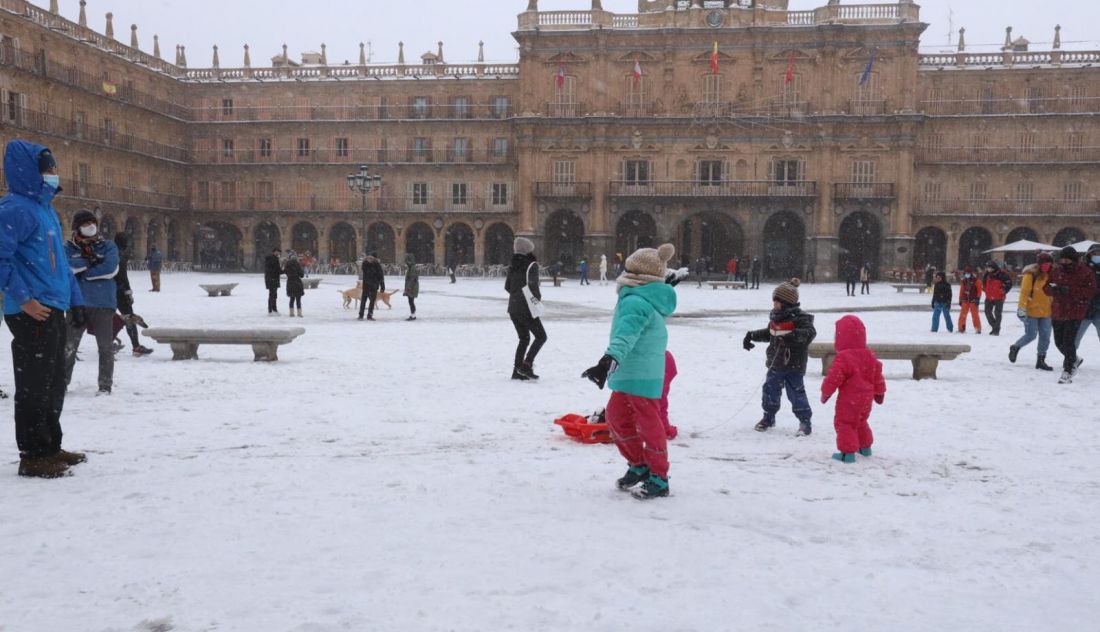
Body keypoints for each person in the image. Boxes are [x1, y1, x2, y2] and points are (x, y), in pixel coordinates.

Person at [0, 140, 88, 478]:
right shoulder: (13, 209)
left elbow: (62, 265)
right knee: (34, 384)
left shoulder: (45, 210)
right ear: (30, 171)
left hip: (54, 306)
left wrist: (77, 301)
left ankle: (51, 445)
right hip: (31, 310)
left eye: (53, 168)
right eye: (48, 168)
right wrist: (25, 299)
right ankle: (33, 454)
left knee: (53, 382)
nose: (54, 174)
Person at [582, 243, 677, 500]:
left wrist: (607, 362)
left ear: (634, 272)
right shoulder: (639, 297)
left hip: (641, 373)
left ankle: (659, 477)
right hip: (630, 372)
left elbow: (626, 336)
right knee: (615, 417)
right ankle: (639, 465)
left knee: (649, 425)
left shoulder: (636, 301)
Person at [744, 282, 816, 436]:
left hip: (794, 365)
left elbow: (809, 333)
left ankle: (805, 421)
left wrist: (793, 336)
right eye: (774, 302)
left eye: (777, 302)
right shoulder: (776, 318)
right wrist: (751, 335)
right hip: (775, 364)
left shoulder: (801, 319)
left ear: (787, 303)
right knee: (770, 391)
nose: (774, 305)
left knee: (796, 394)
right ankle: (768, 417)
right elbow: (769, 333)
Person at [63, 209, 120, 396]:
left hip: (104, 303)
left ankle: (105, 385)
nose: (91, 227)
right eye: (86, 224)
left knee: (105, 347)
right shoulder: (68, 248)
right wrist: (92, 263)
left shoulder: (108, 246)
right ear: (77, 228)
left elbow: (110, 269)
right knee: (68, 346)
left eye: (92, 223)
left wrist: (84, 272)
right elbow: (66, 268)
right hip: (76, 303)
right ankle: (61, 383)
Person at [821, 315, 886, 463]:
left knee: (845, 423)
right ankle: (865, 447)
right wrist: (879, 392)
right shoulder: (869, 355)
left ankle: (847, 452)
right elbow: (878, 374)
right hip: (866, 398)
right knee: (861, 421)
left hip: (849, 399)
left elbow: (834, 378)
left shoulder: (844, 357)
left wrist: (826, 392)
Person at [1045, 246, 1097, 384]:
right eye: (1062, 259)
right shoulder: (1056, 271)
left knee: (1069, 341)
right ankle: (1075, 359)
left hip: (1075, 311)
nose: (1064, 262)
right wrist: (1053, 289)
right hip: (1058, 311)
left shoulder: (1085, 272)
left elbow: (1090, 291)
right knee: (1058, 342)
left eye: (1067, 260)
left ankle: (1068, 370)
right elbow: (1046, 288)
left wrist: (1069, 290)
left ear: (1074, 260)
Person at [505, 237, 547, 380]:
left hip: (513, 308)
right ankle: (526, 365)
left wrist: (517, 295)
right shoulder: (531, 265)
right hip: (526, 308)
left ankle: (517, 371)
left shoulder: (512, 265)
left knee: (524, 338)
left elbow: (507, 287)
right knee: (541, 336)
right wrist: (536, 301)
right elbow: (533, 287)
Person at [1010, 252, 1054, 371]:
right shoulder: (1031, 275)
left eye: (1049, 263)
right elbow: (1024, 293)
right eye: (1045, 263)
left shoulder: (1052, 275)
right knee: (1031, 335)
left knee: (1045, 337)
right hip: (1031, 311)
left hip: (1047, 311)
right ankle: (1015, 347)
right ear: (1039, 264)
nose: (1047, 266)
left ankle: (1041, 360)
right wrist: (1021, 308)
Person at [111, 232, 153, 356]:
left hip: (107, 291)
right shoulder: (120, 255)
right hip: (119, 291)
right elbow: (123, 276)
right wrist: (128, 292)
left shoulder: (111, 253)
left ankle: (106, 343)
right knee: (129, 318)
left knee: (108, 318)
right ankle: (136, 346)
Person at [1074, 243, 1100, 349]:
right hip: (1084, 310)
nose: (1097, 255)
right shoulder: (1082, 269)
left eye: (1099, 253)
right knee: (1076, 338)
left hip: (1099, 310)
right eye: (1094, 253)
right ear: (1089, 254)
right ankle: (1071, 360)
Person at [982, 260, 1013, 336]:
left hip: (999, 297)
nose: (988, 269)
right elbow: (984, 282)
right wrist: (985, 289)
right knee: (987, 312)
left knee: (997, 313)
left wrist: (1003, 291)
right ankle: (995, 327)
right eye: (987, 268)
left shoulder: (1002, 274)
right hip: (989, 296)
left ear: (994, 267)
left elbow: (1009, 283)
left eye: (990, 268)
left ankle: (996, 330)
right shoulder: (987, 274)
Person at [359, 252, 385, 321]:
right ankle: (365, 315)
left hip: (369, 286)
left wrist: (382, 286)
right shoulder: (374, 264)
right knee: (368, 301)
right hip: (371, 285)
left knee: (367, 301)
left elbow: (380, 276)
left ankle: (364, 315)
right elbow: (380, 276)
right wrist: (382, 286)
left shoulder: (366, 264)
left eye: (371, 258)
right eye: (369, 258)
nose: (370, 259)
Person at [957, 266, 983, 334]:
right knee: (962, 315)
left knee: (975, 315)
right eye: (965, 273)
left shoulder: (977, 281)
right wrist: (960, 299)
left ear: (971, 273)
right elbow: (962, 290)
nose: (966, 274)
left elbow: (979, 291)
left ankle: (978, 328)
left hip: (973, 300)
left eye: (968, 273)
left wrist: (978, 298)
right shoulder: (963, 281)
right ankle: (961, 328)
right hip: (965, 300)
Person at [284, 250, 304, 317]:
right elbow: (301, 275)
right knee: (298, 299)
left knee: (292, 299)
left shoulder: (287, 265)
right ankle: (299, 313)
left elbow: (285, 272)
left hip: (290, 283)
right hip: (297, 283)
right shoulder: (297, 264)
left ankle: (291, 313)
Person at [264, 247, 282, 315]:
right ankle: (271, 310)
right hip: (272, 279)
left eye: (279, 252)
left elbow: (277, 269)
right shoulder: (272, 259)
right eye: (278, 252)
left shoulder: (274, 259)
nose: (278, 253)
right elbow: (274, 269)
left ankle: (274, 309)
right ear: (274, 252)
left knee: (274, 295)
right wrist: (280, 271)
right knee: (272, 295)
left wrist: (283, 271)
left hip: (273, 279)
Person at [403, 252, 419, 321]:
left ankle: (413, 315)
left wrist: (409, 288)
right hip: (411, 287)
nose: (406, 262)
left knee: (411, 301)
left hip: (412, 287)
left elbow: (412, 279)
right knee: (411, 301)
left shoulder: (412, 268)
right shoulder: (411, 267)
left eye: (407, 261)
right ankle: (413, 314)